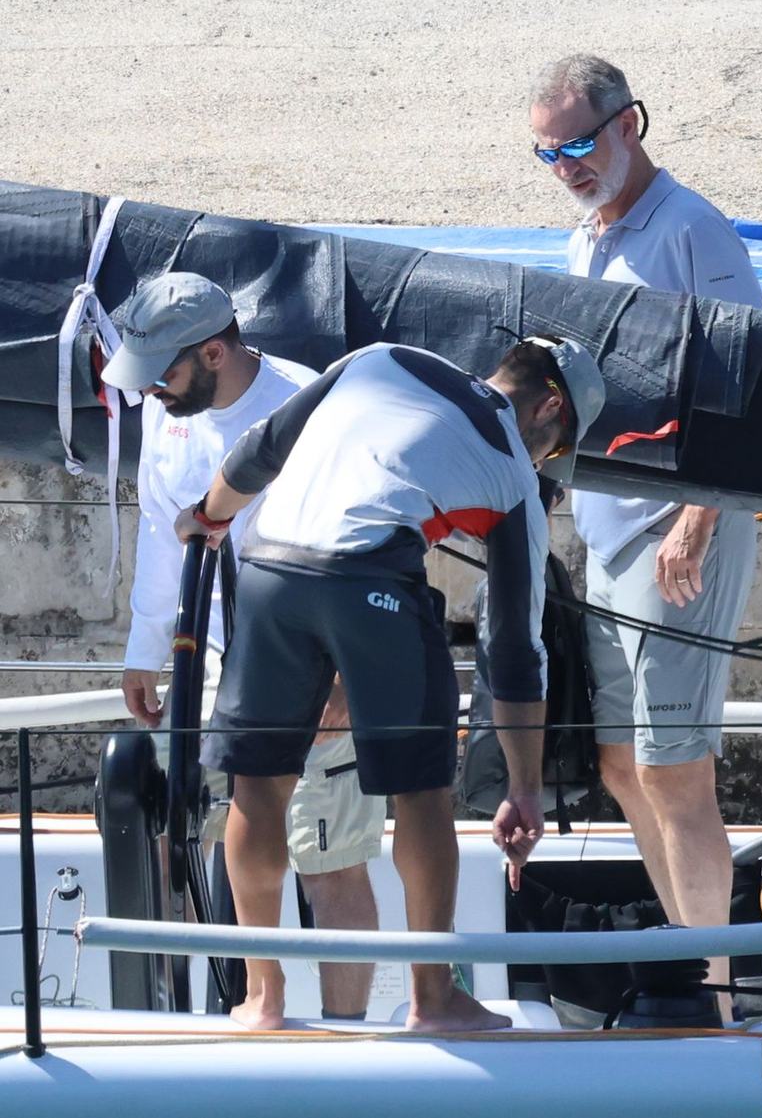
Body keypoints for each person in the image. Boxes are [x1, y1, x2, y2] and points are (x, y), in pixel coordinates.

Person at [172, 334, 605, 1032]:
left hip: (268, 567)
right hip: (369, 581)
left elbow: (260, 447)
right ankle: (432, 1000)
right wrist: (525, 789)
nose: (545, 466)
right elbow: (516, 649)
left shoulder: (380, 359)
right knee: (422, 792)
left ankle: (262, 998)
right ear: (549, 408)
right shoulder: (512, 471)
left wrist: (211, 514)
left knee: (257, 785)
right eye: (554, 450)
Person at [529, 54, 762, 1004]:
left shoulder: (694, 232)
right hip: (611, 528)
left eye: (580, 143)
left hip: (679, 529)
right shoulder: (586, 237)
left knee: (677, 768)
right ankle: (685, 968)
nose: (567, 165)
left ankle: (714, 992)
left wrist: (698, 525)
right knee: (623, 766)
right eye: (547, 153)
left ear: (632, 124)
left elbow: (747, 392)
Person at [101, 272, 385, 1020]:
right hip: (223, 661)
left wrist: (349, 683)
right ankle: (261, 1008)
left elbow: (380, 550)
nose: (153, 390)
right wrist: (144, 647)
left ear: (217, 351)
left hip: (320, 660)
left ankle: (346, 1040)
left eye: (163, 372)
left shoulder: (315, 410)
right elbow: (167, 534)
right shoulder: (169, 412)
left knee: (330, 858)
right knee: (214, 836)